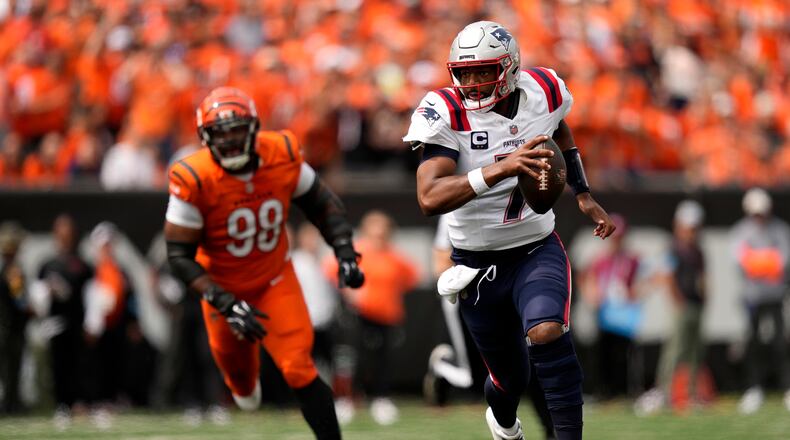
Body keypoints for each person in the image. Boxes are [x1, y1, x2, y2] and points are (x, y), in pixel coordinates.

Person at [404, 21, 616, 440]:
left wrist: (582, 191)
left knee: (547, 330)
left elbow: (559, 129)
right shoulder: (446, 111)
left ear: (510, 68)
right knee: (509, 380)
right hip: (476, 263)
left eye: (484, 71)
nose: (473, 82)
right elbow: (428, 197)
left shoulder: (543, 90)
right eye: (465, 73)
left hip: (535, 246)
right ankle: (502, 420)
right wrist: (502, 167)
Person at [163, 86, 364, 440]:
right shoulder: (193, 178)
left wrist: (344, 248)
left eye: (238, 132)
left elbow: (322, 203)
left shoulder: (280, 153)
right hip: (223, 289)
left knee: (299, 368)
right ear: (205, 139)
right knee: (241, 385)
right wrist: (223, 301)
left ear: (255, 129)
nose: (231, 143)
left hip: (274, 280)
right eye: (221, 135)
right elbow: (179, 256)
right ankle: (243, 386)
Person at [426, 214, 557, 440]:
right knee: (476, 378)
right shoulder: (458, 201)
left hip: (516, 288)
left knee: (533, 359)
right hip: (477, 294)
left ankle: (550, 428)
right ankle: (444, 367)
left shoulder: (518, 191)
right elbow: (440, 257)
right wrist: (456, 281)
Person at [325, 210, 420, 426]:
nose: (379, 236)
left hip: (388, 317)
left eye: (383, 231)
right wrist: (350, 292)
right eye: (374, 231)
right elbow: (331, 270)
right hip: (358, 316)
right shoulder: (356, 252)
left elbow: (412, 277)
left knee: (383, 361)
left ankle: (381, 400)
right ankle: (346, 400)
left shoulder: (395, 258)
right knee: (351, 359)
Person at [635, 200, 706, 415]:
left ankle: (691, 394)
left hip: (696, 305)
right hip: (682, 307)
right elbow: (667, 277)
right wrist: (677, 301)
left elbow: (702, 278)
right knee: (674, 352)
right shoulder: (673, 248)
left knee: (694, 353)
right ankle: (664, 393)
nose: (692, 231)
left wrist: (705, 297)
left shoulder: (697, 251)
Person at [730, 188, 790, 414]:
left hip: (775, 296)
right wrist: (767, 261)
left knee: (780, 343)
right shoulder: (740, 232)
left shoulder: (780, 229)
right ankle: (754, 388)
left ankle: (787, 387)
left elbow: (783, 261)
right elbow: (741, 262)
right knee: (753, 344)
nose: (759, 218)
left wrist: (758, 261)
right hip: (752, 297)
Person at [31, 214, 93, 429]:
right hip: (54, 323)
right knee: (57, 365)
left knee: (79, 364)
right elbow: (36, 296)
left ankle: (79, 402)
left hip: (77, 321)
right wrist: (47, 293)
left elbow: (90, 295)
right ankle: (60, 404)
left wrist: (92, 322)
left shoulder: (82, 264)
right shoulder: (47, 264)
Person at [581, 214, 642, 399]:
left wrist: (631, 295)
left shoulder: (631, 260)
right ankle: (602, 391)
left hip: (623, 315)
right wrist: (592, 294)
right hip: (605, 313)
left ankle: (621, 391)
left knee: (623, 354)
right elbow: (587, 278)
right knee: (602, 353)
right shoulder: (600, 259)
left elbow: (641, 283)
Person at [0, 221, 28, 414]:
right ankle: (11, 405)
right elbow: (19, 299)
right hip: (10, 329)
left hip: (5, 327)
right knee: (11, 370)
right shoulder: (12, 270)